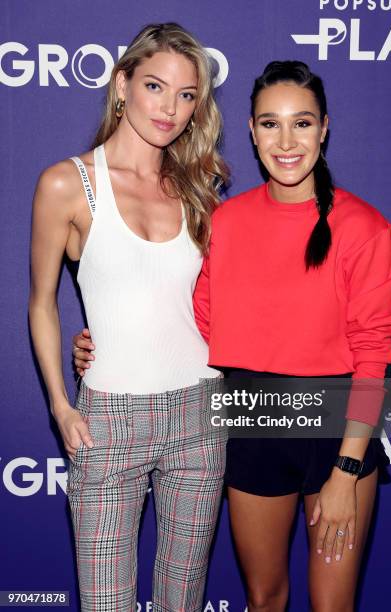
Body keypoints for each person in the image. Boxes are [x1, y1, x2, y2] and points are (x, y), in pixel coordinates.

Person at [73, 60, 391, 611]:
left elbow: (376, 358)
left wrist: (347, 470)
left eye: (302, 123)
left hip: (337, 428)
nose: (286, 141)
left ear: (324, 128)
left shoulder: (365, 230)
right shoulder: (222, 223)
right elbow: (192, 320)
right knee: (263, 597)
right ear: (251, 132)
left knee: (333, 605)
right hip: (252, 417)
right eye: (270, 123)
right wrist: (104, 340)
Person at [29, 22, 228, 612]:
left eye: (187, 94)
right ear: (122, 85)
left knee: (182, 600)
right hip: (109, 419)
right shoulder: (69, 183)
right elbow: (41, 301)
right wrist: (62, 406)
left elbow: (204, 301)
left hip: (200, 414)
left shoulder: (199, 185)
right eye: (155, 86)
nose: (170, 108)